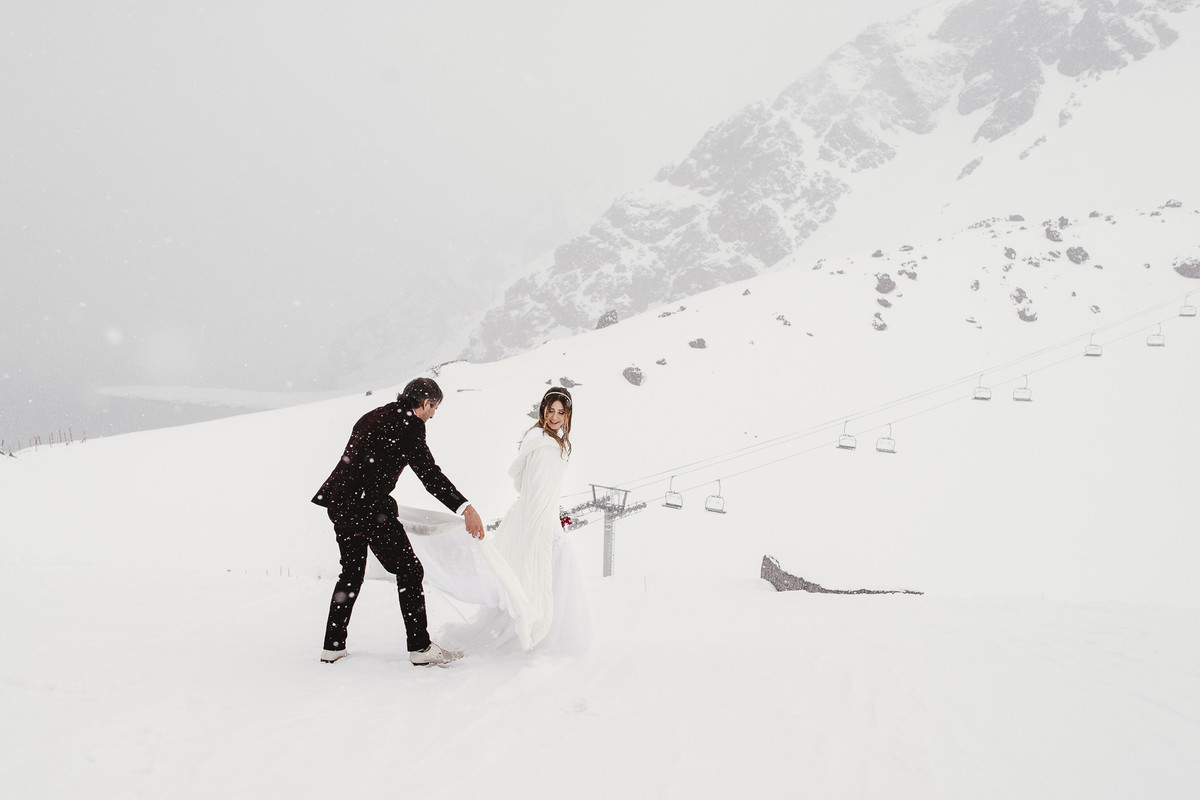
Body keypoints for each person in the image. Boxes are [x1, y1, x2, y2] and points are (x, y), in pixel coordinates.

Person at [311, 377, 484, 667]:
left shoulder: (373, 416)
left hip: (340, 504)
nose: (433, 415)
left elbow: (359, 464)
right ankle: (420, 647)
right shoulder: (409, 428)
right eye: (434, 408)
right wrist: (464, 507)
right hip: (368, 508)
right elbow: (429, 475)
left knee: (351, 574)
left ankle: (333, 645)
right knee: (410, 570)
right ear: (425, 403)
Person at [409, 386, 591, 656]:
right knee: (537, 574)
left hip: (545, 516)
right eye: (550, 410)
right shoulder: (541, 440)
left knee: (540, 575)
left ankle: (542, 634)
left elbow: (541, 485)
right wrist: (540, 524)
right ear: (542, 410)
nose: (554, 416)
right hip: (537, 519)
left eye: (560, 412)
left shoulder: (550, 441)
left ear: (568, 415)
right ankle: (537, 636)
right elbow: (533, 488)